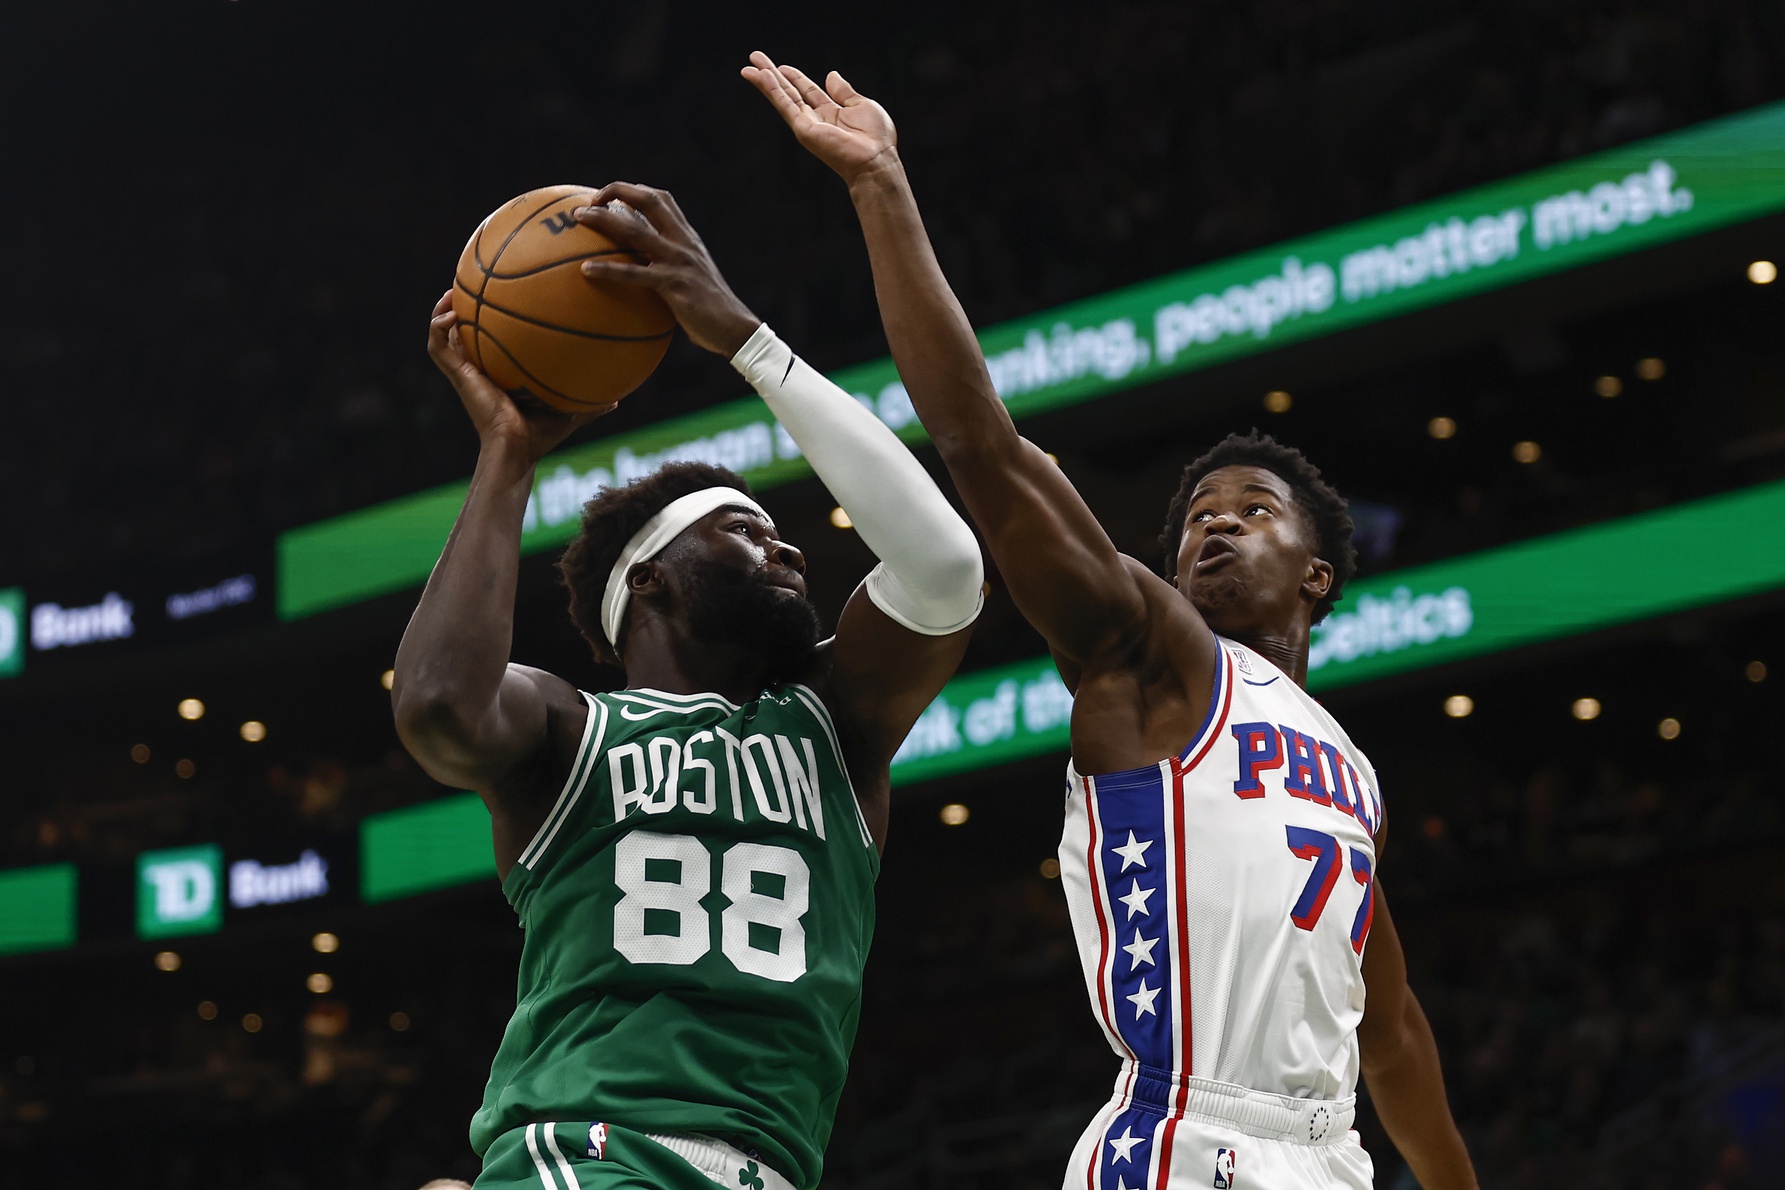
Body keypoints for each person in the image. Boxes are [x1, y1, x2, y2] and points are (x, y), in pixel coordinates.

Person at [742, 53, 1478, 1190]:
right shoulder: (1158, 656)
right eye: (1196, 519)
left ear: (1319, 572)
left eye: (1253, 510)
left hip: (1334, 1155)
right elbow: (984, 447)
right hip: (1191, 1140)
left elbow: (1388, 1026)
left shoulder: (1353, 769)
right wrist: (881, 186)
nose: (1214, 529)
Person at [393, 185, 983, 1190]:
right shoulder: (567, 730)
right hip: (592, 1152)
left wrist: (749, 342)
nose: (788, 543)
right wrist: (508, 455)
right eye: (743, 530)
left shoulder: (831, 727)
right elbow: (440, 706)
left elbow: (944, 568)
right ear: (652, 580)